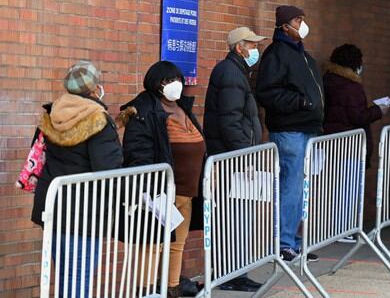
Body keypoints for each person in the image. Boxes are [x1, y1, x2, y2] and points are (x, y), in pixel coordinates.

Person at [31, 60, 123, 298]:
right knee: (78, 277)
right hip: (84, 212)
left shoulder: (52, 114)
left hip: (52, 207)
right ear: (94, 89)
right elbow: (109, 169)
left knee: (65, 275)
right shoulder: (98, 119)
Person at [119, 61, 206, 298]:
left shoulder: (183, 108)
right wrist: (150, 191)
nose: (175, 85)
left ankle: (171, 288)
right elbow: (138, 153)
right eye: (168, 81)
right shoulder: (144, 111)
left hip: (187, 192)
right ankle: (145, 292)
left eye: (177, 79)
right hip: (159, 193)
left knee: (178, 243)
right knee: (152, 246)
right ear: (156, 84)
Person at [256, 5, 323, 262]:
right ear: (285, 25)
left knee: (299, 188)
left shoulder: (303, 56)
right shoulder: (277, 54)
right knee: (291, 187)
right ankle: (283, 242)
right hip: (290, 130)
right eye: (298, 19)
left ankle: (293, 240)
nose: (302, 24)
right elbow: (267, 92)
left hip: (306, 129)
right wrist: (301, 103)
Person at [202, 26, 266, 292]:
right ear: (240, 47)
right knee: (234, 216)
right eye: (252, 45)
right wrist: (245, 154)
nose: (256, 50)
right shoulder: (230, 73)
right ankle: (231, 273)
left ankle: (236, 270)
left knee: (239, 214)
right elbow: (230, 121)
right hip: (232, 158)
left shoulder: (235, 72)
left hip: (233, 155)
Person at [323, 44, 389, 242]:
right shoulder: (350, 87)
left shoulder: (327, 80)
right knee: (348, 188)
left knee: (338, 187)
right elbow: (357, 116)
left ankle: (339, 228)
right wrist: (379, 110)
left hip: (332, 141)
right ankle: (344, 229)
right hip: (350, 146)